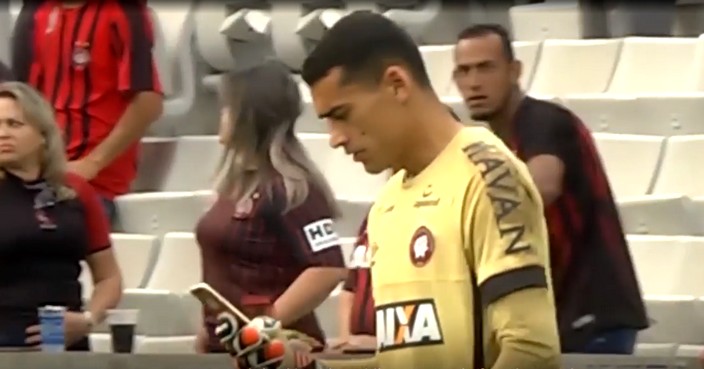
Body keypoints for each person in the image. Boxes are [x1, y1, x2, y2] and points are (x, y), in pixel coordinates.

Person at [211, 12, 561, 369]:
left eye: (342, 114)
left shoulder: (488, 176)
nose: (335, 138)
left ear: (397, 84)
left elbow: (531, 351)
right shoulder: (387, 205)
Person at [452, 24, 648, 354]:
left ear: (515, 71)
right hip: (561, 319)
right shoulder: (499, 142)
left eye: (486, 68)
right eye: (464, 71)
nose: (474, 82)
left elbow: (541, 186)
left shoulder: (542, 120)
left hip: (592, 315)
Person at [193, 60, 348, 354]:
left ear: (248, 116)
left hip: (278, 354)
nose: (221, 116)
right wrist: (207, 332)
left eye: (228, 108)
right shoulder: (234, 185)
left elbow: (328, 267)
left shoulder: (291, 187)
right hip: (226, 349)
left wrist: (265, 324)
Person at [11, 1, 164, 223]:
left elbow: (149, 102)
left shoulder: (122, 10)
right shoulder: (36, 10)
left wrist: (92, 164)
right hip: (34, 178)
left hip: (94, 186)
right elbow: (23, 100)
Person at [0, 82, 122, 350]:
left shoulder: (75, 191)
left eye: (14, 124)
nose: (3, 134)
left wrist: (88, 319)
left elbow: (109, 278)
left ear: (43, 134)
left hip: (64, 344)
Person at [329, 217, 376, 352]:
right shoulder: (375, 215)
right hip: (360, 348)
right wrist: (345, 339)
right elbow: (350, 289)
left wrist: (386, 342)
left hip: (396, 348)